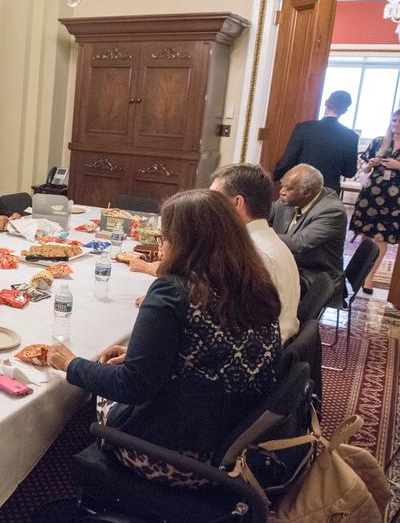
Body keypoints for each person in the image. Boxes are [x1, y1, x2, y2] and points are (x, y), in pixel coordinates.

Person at [46, 189, 281, 488]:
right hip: (231, 443)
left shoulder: (174, 292)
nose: (160, 250)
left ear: (188, 243)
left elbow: (130, 386)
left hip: (174, 456)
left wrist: (70, 363)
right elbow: (210, 348)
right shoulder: (255, 285)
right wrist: (140, 352)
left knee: (92, 389)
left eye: (165, 239)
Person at [210, 163, 300, 341]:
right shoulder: (266, 241)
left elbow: (232, 323)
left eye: (215, 199)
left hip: (262, 351)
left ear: (237, 203)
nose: (209, 206)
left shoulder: (256, 255)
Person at [270, 164, 347, 294]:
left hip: (314, 276)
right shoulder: (290, 199)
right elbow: (263, 214)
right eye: (282, 185)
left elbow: (299, 243)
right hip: (289, 265)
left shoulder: (332, 211)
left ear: (306, 192)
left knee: (259, 285)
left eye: (289, 189)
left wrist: (259, 235)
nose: (281, 191)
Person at [350, 108, 400, 294]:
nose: (396, 126)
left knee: (382, 237)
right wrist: (369, 165)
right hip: (371, 196)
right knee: (367, 235)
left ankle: (370, 277)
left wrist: (398, 166)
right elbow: (363, 169)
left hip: (394, 201)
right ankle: (360, 273)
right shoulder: (380, 141)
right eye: (394, 121)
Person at [272, 90, 360, 193]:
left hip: (301, 189)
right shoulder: (351, 136)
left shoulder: (304, 128)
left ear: (326, 103)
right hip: (329, 192)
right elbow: (349, 172)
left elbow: (287, 161)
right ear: (345, 111)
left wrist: (273, 177)